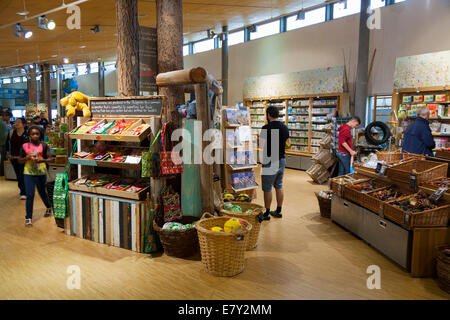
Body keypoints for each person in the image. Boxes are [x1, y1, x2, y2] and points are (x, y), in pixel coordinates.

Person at [19, 126, 53, 227]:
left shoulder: (44, 145)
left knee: (42, 192)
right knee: (30, 195)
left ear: (40, 135)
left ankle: (48, 207)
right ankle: (28, 218)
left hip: (41, 173)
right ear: (29, 135)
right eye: (33, 134)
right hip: (28, 173)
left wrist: (42, 160)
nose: (35, 136)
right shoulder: (25, 146)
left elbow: (50, 159)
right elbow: (19, 160)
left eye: (37, 134)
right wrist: (27, 157)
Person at [260, 106, 290, 220]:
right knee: (279, 185)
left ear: (268, 115)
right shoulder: (285, 128)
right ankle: (278, 210)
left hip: (269, 160)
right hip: (281, 160)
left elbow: (261, 146)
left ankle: (267, 213)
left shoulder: (265, 128)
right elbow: (288, 144)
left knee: (267, 187)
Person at [6, 118, 29, 199]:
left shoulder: (27, 134)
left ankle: (23, 192)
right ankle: (23, 190)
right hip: (13, 158)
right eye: (16, 122)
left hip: (24, 158)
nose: (16, 123)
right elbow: (7, 143)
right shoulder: (11, 132)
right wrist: (8, 154)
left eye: (19, 122)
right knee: (18, 175)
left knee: (21, 174)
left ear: (24, 124)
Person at [0, 111, 11, 176]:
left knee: (3, 158)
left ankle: (2, 172)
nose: (9, 119)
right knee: (3, 158)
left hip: (3, 143)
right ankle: (2, 172)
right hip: (2, 143)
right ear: (5, 116)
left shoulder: (3, 122)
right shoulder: (2, 123)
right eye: (8, 117)